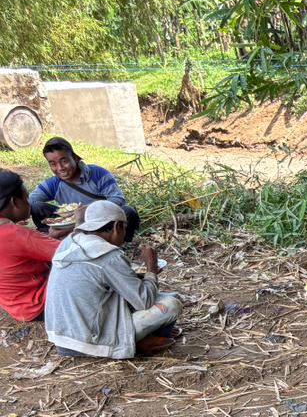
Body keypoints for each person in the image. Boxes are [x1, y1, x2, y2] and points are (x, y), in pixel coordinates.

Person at [44, 201, 182, 358]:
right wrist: (151, 267)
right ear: (117, 226)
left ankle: (142, 335)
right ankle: (135, 341)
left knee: (140, 296)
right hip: (91, 342)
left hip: (61, 337)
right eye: (124, 227)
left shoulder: (69, 241)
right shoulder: (109, 257)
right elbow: (144, 300)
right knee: (172, 303)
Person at [31, 137, 140, 241]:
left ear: (75, 158)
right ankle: (66, 237)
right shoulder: (54, 184)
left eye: (64, 161)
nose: (60, 168)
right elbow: (30, 202)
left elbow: (118, 199)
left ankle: (112, 241)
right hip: (71, 221)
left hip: (101, 221)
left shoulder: (97, 174)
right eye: (53, 164)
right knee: (37, 207)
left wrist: (89, 210)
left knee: (128, 212)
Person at [0, 171, 61, 322]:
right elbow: (70, 252)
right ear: (15, 202)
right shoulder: (17, 235)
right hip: (39, 304)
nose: (29, 202)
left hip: (15, 305)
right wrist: (77, 226)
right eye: (26, 197)